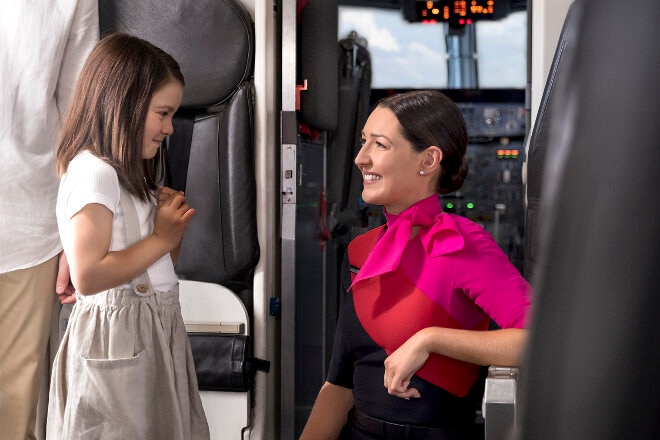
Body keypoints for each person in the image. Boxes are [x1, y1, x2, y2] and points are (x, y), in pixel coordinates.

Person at [300, 90, 532, 440]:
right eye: (363, 142)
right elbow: (339, 384)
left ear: (428, 161)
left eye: (379, 144)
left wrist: (430, 339)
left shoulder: (464, 244)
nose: (361, 158)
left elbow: (537, 341)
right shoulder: (362, 250)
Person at [45, 33, 210, 439]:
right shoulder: (93, 172)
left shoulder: (127, 174)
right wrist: (161, 237)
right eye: (163, 113)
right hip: (119, 338)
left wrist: (172, 233)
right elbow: (89, 275)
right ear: (126, 105)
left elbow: (156, 269)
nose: (170, 128)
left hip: (155, 327)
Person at [0, 2, 98, 439]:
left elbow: (80, 117)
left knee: (14, 418)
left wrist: (74, 233)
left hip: (29, 229)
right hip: (29, 221)